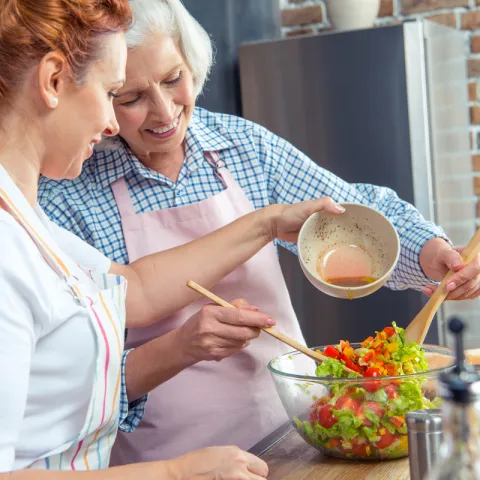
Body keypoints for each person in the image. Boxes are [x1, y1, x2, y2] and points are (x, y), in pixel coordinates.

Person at [38, 0, 480, 464]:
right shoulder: (71, 192)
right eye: (131, 98)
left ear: (192, 62)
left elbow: (351, 211)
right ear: (102, 97)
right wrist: (181, 346)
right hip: (171, 461)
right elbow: (82, 378)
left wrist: (430, 251)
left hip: (294, 436)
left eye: (173, 79)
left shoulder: (243, 147)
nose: (164, 110)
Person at [0, 0, 345, 476]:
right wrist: (175, 473)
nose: (109, 126)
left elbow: (134, 289)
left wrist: (266, 223)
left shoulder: (26, 218)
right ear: (54, 80)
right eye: (113, 92)